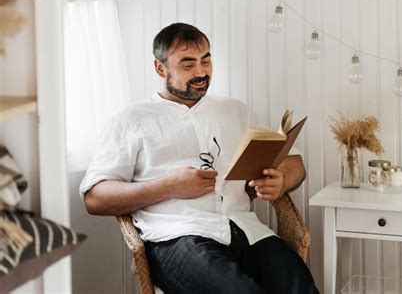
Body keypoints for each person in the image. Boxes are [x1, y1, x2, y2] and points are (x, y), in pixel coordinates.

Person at [80, 23, 318, 294]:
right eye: (187, 64)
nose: (201, 71)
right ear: (160, 68)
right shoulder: (131, 120)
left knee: (301, 288)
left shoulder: (234, 110)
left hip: (247, 230)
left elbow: (294, 162)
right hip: (179, 237)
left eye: (206, 60)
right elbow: (95, 198)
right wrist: (168, 186)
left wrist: (282, 179)